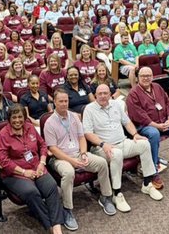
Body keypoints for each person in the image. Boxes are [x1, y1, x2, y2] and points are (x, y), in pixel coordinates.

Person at [82, 83, 162, 213]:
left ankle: (147, 184)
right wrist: (103, 144)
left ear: (110, 94)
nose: (103, 96)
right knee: (117, 154)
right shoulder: (89, 109)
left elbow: (127, 122)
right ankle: (117, 193)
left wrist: (135, 134)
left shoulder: (116, 105)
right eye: (100, 94)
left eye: (105, 93)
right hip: (102, 148)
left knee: (144, 144)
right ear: (95, 95)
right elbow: (87, 133)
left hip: (123, 142)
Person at [44, 90, 116, 230]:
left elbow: (82, 137)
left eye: (66, 101)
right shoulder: (49, 123)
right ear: (54, 102)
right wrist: (71, 161)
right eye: (61, 101)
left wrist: (83, 153)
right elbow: (52, 149)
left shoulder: (74, 117)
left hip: (78, 153)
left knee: (101, 163)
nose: (64, 104)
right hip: (60, 158)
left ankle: (105, 197)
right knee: (69, 172)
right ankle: (67, 210)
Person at [0, 105, 64, 234]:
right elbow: (3, 161)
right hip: (15, 174)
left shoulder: (30, 127)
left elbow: (43, 145)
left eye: (20, 117)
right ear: (9, 119)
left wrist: (42, 163)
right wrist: (23, 172)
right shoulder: (3, 135)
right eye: (14, 117)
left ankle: (57, 227)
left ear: (25, 117)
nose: (17, 120)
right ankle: (48, 224)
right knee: (31, 192)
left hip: (36, 167)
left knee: (51, 187)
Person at [126, 67, 169, 177]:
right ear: (138, 78)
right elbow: (140, 116)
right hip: (145, 126)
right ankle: (152, 170)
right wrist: (157, 126)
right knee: (154, 133)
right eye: (143, 76)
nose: (146, 78)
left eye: (148, 75)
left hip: (163, 121)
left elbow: (167, 103)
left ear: (152, 77)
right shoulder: (133, 94)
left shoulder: (157, 87)